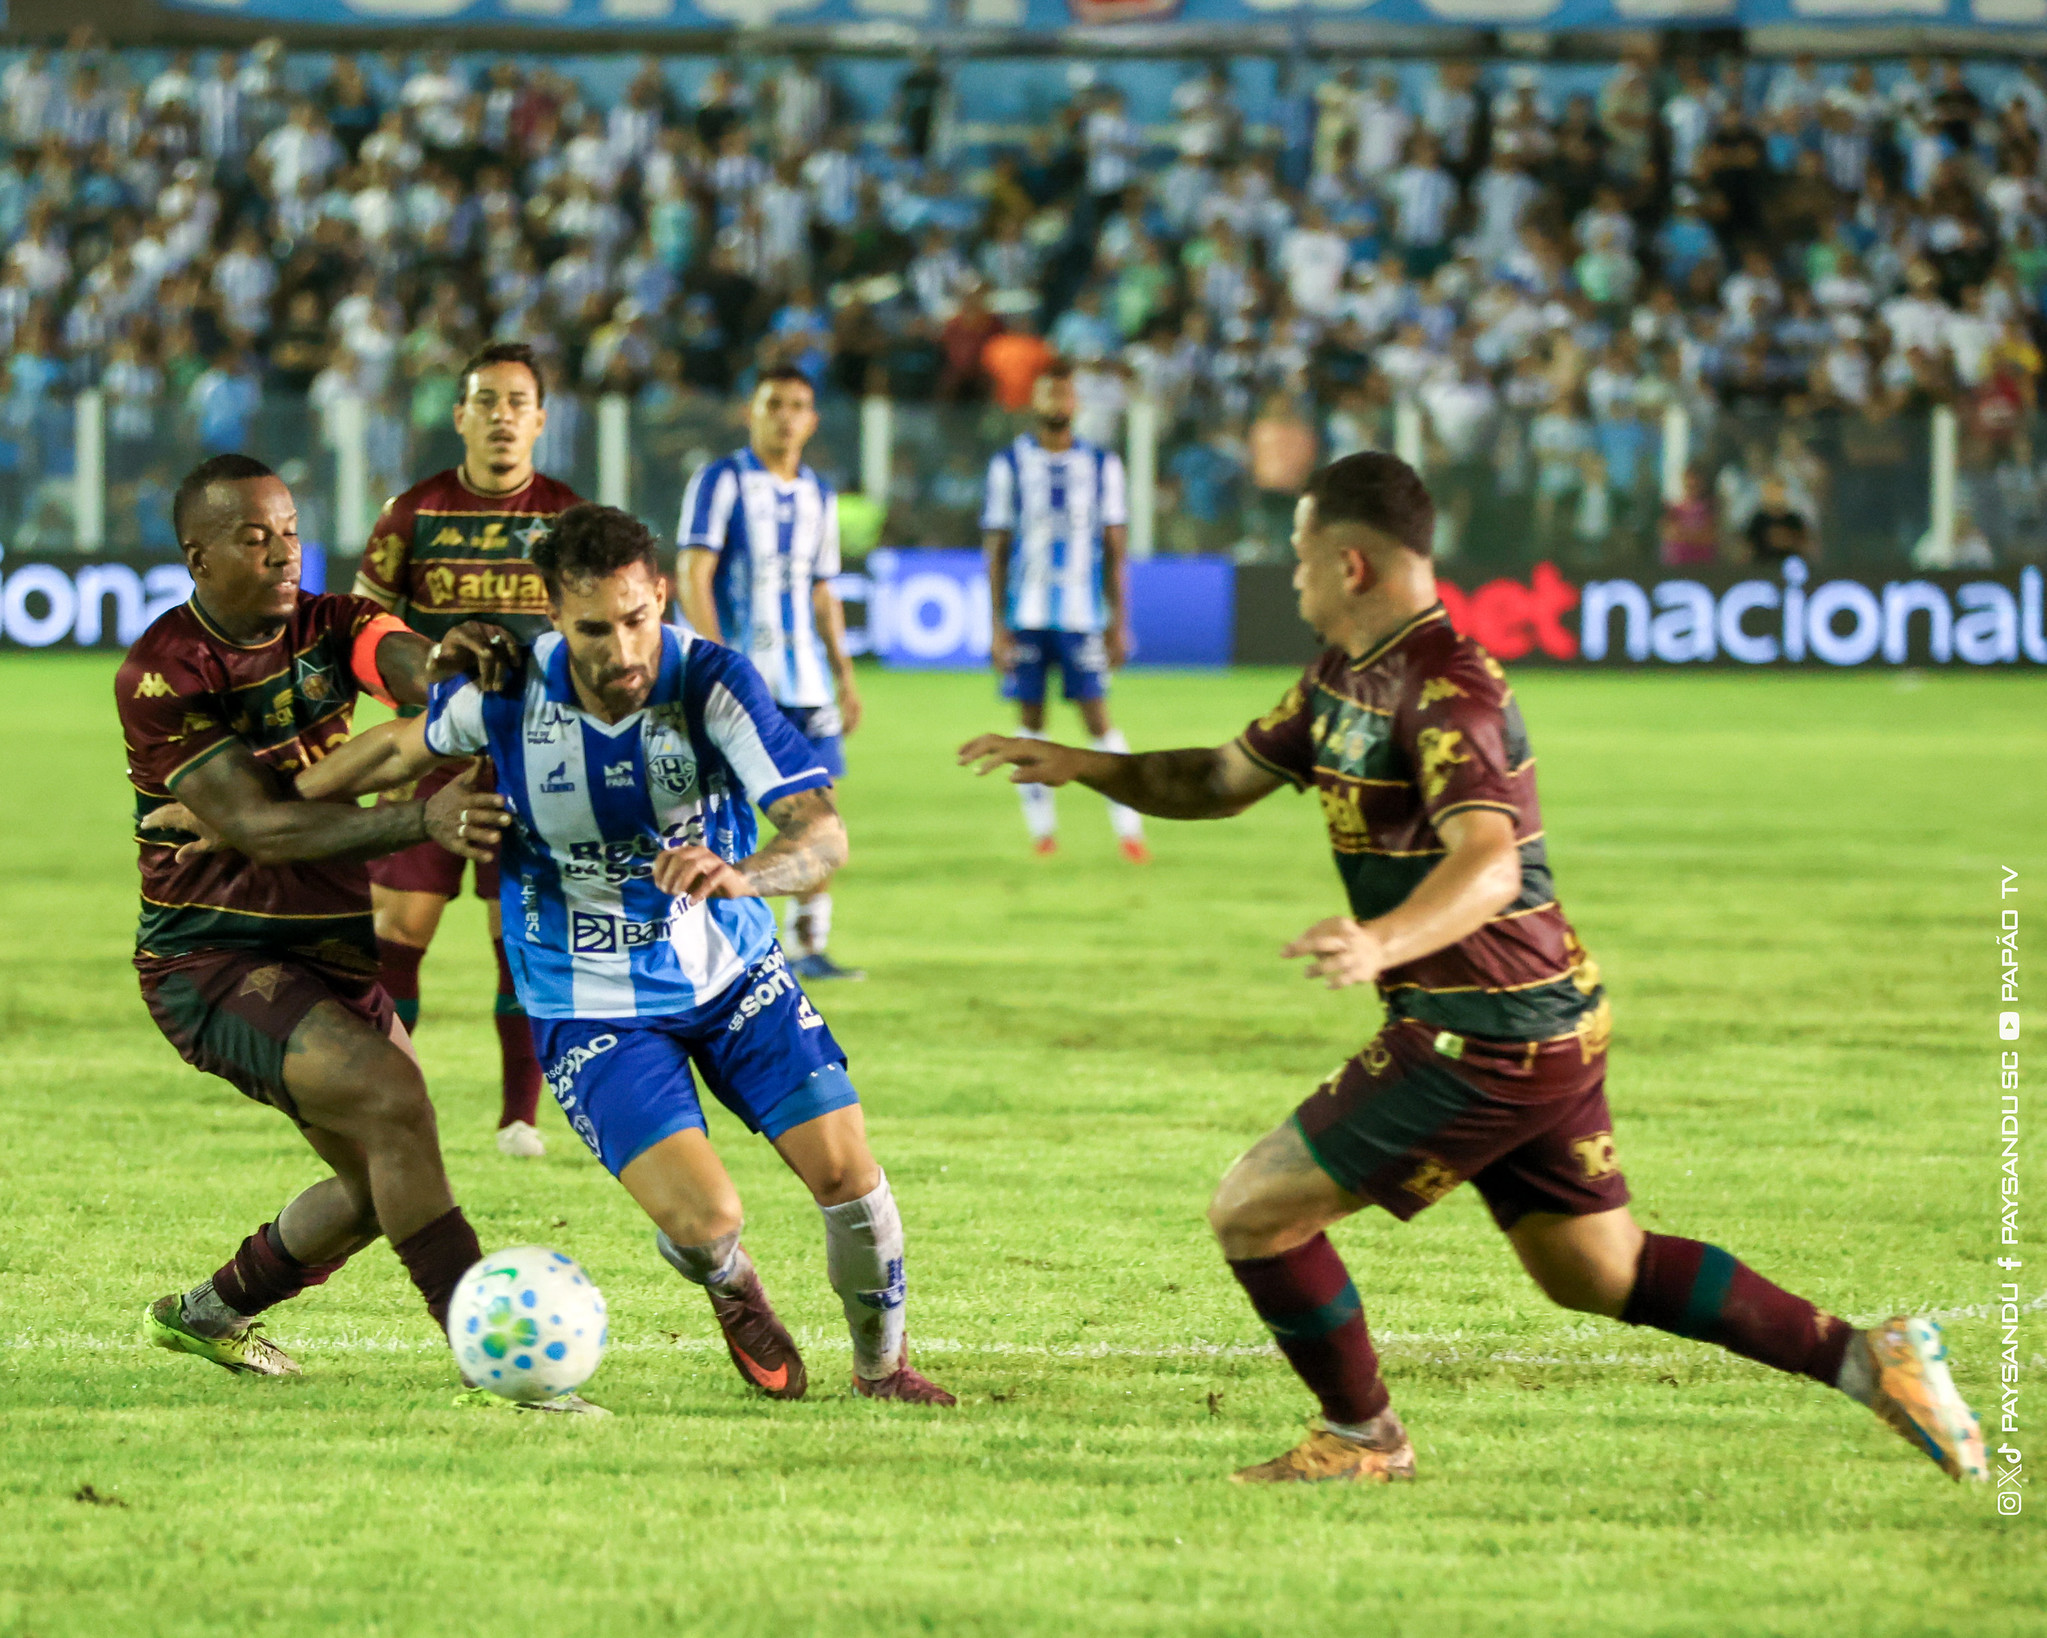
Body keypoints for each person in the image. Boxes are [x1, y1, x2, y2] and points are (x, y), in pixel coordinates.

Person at [958, 451, 1987, 1487]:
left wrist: (1379, 942)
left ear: (1350, 564)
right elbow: (1219, 779)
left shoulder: (1447, 687)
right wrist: (1083, 765)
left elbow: (1489, 863)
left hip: (1482, 1029)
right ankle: (1871, 1358)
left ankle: (1365, 1440)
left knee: (1254, 1210)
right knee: (1599, 1270)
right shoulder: (1336, 682)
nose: (1291, 577)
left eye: (1299, 556)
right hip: (1539, 1017)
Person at [292, 504, 955, 1408]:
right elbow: (393, 750)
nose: (623, 648)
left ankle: (883, 1370)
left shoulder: (712, 681)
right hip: (589, 1000)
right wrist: (260, 813)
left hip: (734, 977)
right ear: (554, 617)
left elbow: (821, 836)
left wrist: (743, 874)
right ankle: (728, 1283)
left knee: (849, 1178)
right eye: (594, 628)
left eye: (638, 618)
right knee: (709, 1219)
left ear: (661, 600)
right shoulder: (508, 687)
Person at [121, 454, 541, 1396]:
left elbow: (402, 663)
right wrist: (418, 819)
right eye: (253, 537)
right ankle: (500, 1358)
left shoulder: (334, 622)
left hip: (329, 947)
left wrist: (452, 666)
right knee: (396, 1102)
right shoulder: (161, 671)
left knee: (379, 1185)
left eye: (290, 532)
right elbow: (261, 827)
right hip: (210, 957)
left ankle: (206, 1314)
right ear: (198, 555)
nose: (281, 552)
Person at [351, 341, 585, 1158]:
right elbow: (365, 628)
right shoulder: (410, 515)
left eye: (517, 402)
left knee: (516, 933)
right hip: (432, 752)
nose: (501, 417)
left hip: (535, 758)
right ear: (460, 415)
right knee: (400, 928)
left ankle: (519, 1117)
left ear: (541, 420)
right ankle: (392, 1103)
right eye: (485, 401)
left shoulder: (568, 520)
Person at [675, 365, 865, 983]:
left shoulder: (818, 493)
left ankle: (811, 947)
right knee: (715, 813)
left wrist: (845, 674)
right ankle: (715, 940)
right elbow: (694, 572)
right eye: (773, 404)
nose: (785, 416)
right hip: (740, 684)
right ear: (751, 413)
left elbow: (822, 590)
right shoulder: (721, 480)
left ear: (812, 420)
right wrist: (714, 662)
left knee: (821, 813)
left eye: (798, 405)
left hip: (806, 682)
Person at [980, 360, 1148, 862]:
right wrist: (996, 626)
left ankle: (1129, 830)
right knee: (1031, 721)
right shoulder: (1008, 465)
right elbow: (998, 548)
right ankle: (1043, 834)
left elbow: (1116, 547)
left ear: (1076, 403)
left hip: (1082, 617)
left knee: (1098, 719)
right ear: (1034, 402)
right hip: (1027, 615)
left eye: (1065, 395)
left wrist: (1119, 621)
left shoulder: (1102, 465)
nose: (1058, 403)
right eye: (1049, 394)